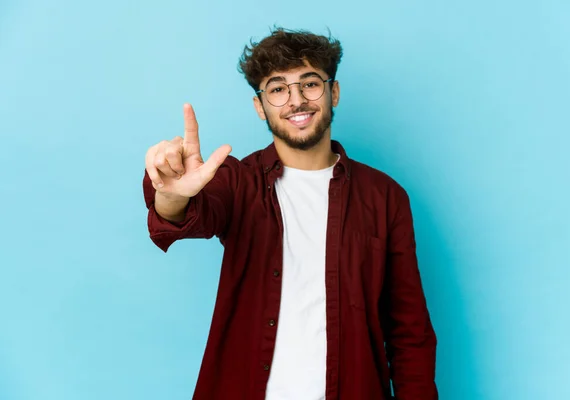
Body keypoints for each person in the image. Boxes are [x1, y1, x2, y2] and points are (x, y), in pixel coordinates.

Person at [143, 27, 437, 400]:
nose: (296, 100)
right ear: (260, 106)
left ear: (334, 92)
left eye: (309, 84)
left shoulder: (385, 196)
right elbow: (180, 219)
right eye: (278, 89)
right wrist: (170, 192)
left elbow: (410, 333)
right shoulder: (237, 182)